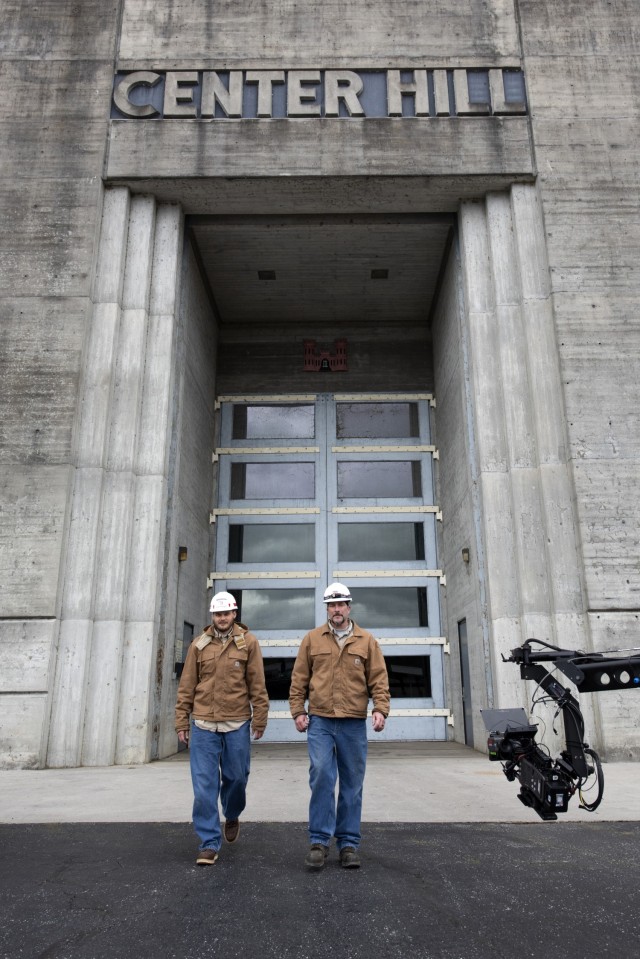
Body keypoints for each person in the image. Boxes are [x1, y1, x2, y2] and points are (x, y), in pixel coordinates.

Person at [289, 582, 390, 870]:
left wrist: (380, 709)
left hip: (354, 723)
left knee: (352, 784)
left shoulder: (367, 641)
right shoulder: (312, 640)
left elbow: (379, 680)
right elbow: (299, 680)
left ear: (349, 606)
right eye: (332, 605)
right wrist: (298, 711)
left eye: (341, 604)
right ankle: (319, 841)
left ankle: (348, 844)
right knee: (321, 774)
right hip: (320, 720)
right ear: (327, 608)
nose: (336, 609)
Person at [175, 591, 269, 865]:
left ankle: (232, 812)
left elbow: (257, 683)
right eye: (218, 614)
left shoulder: (248, 643)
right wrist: (182, 720)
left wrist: (260, 717)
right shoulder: (198, 645)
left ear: (234, 614)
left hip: (237, 722)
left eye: (226, 613)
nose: (222, 618)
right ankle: (208, 843)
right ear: (212, 616)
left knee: (236, 779)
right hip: (203, 724)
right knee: (204, 788)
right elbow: (187, 686)